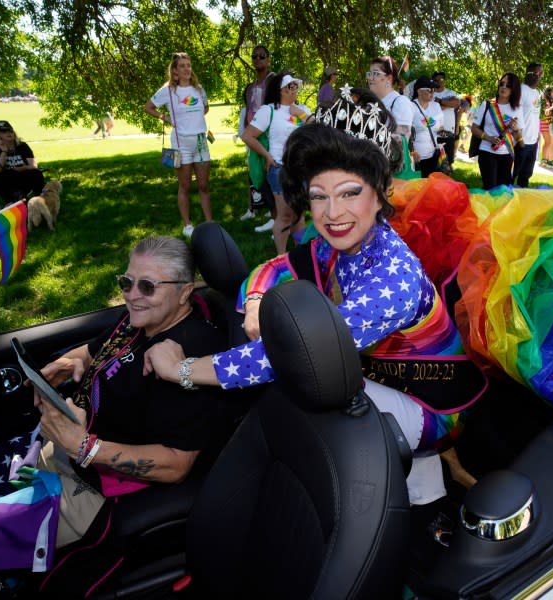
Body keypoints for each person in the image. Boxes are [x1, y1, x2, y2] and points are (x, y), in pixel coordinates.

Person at [145, 91, 483, 505]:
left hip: (439, 408)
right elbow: (274, 267)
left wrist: (182, 370)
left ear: (379, 192)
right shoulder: (337, 245)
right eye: (319, 196)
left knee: (307, 392)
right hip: (382, 380)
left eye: (349, 192)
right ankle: (426, 499)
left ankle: (414, 487)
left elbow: (294, 359)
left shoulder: (393, 279)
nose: (332, 213)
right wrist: (254, 302)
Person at [0, 236, 231, 594]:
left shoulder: (193, 356)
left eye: (147, 286)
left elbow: (176, 465)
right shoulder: (139, 320)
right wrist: (72, 362)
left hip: (90, 490)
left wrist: (83, 446)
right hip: (57, 455)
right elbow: (93, 348)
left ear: (186, 292)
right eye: (126, 282)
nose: (132, 295)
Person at [240, 70, 310, 255]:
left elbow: (318, 131)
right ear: (280, 90)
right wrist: (267, 156)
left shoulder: (303, 110)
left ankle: (300, 256)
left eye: (296, 85)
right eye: (290, 86)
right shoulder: (269, 110)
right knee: (285, 215)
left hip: (302, 169)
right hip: (279, 168)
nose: (294, 88)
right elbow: (247, 136)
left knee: (299, 214)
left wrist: (302, 115)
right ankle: (281, 258)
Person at [144, 52, 213, 239]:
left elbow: (205, 107)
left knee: (204, 185)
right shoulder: (167, 91)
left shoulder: (199, 89)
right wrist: (165, 117)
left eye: (188, 65)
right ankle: (188, 225)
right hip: (181, 142)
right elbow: (148, 107)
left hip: (200, 141)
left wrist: (193, 118)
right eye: (182, 66)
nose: (187, 68)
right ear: (174, 71)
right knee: (184, 185)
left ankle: (210, 223)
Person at [239, 45, 276, 233]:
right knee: (255, 173)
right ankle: (254, 208)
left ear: (268, 59)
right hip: (253, 135)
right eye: (255, 56)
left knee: (269, 172)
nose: (258, 59)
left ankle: (275, 215)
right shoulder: (251, 86)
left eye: (262, 56)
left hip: (269, 135)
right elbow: (248, 110)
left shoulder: (274, 81)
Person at [469, 73, 525, 190]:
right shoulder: (487, 104)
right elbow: (474, 128)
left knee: (503, 190)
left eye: (508, 85)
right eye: (501, 83)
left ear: (514, 89)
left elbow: (519, 139)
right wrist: (488, 138)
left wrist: (515, 129)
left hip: (506, 155)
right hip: (487, 152)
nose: (503, 87)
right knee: (490, 188)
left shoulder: (517, 108)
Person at [0, 120, 46, 203]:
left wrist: (23, 168)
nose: (9, 133)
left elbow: (34, 165)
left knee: (36, 173)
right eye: (4, 132)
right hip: (7, 180)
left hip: (24, 176)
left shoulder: (22, 146)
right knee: (0, 176)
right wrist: (4, 151)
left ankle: (41, 200)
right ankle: (13, 203)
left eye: (10, 130)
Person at [367, 55, 414, 151]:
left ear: (388, 78)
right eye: (369, 73)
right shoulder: (370, 103)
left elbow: (400, 143)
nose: (370, 78)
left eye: (375, 73)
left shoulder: (400, 102)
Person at [513, 62, 543, 187]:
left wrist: (537, 136)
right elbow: (513, 116)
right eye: (536, 72)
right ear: (528, 73)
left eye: (541, 73)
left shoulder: (538, 92)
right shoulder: (520, 90)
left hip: (533, 141)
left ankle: (521, 199)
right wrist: (519, 139)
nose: (539, 76)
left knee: (525, 176)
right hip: (520, 141)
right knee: (512, 174)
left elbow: (535, 116)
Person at [409, 75, 444, 177]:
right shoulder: (411, 107)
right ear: (419, 91)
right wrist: (412, 151)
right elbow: (406, 132)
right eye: (429, 90)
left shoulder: (436, 106)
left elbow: (440, 127)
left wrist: (443, 133)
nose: (432, 93)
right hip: (417, 158)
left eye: (434, 90)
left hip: (435, 154)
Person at [431, 71, 460, 172]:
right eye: (436, 80)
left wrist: (439, 101)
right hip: (433, 133)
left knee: (447, 164)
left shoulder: (451, 93)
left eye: (441, 79)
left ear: (445, 81)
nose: (439, 82)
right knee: (434, 163)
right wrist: (447, 104)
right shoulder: (430, 93)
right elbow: (433, 108)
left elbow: (456, 103)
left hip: (448, 132)